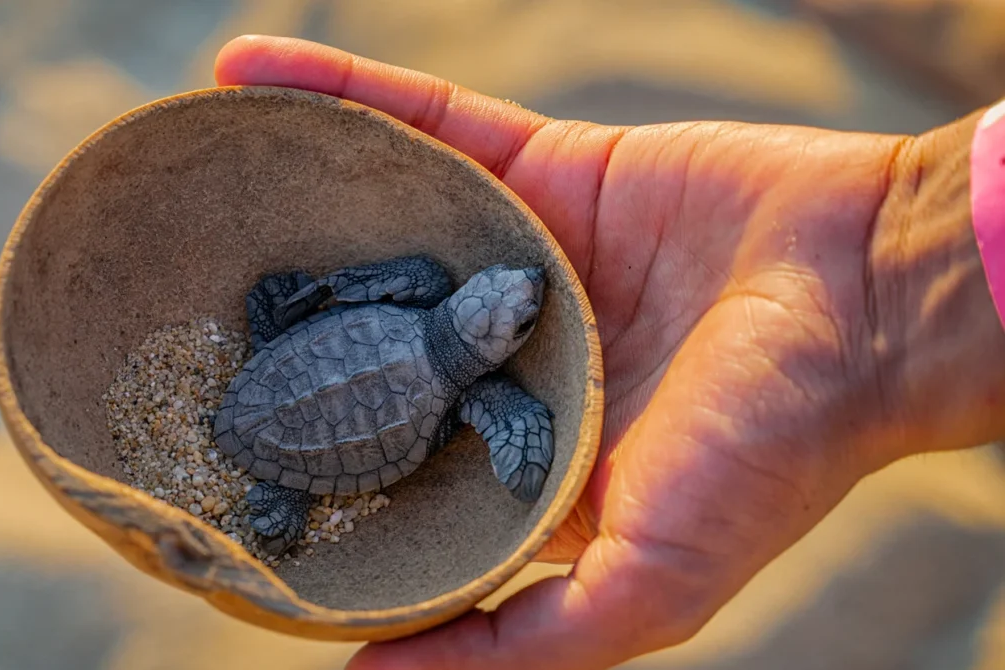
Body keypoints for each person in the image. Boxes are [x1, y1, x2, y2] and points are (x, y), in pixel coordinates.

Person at [212, 35, 1005, 670]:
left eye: (516, 301)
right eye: (517, 310)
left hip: (317, 362)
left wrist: (889, 252)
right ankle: (281, 503)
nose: (529, 285)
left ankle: (277, 423)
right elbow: (525, 460)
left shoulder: (431, 309)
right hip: (315, 429)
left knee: (338, 305)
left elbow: (365, 301)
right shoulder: (475, 388)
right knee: (310, 480)